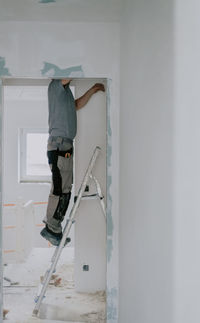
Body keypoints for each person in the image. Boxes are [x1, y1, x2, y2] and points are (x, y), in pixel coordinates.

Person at [40, 79, 105, 246]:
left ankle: (54, 227)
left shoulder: (66, 94)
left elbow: (76, 104)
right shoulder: (56, 86)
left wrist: (92, 90)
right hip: (60, 145)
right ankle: (51, 229)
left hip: (64, 146)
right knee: (61, 190)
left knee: (64, 189)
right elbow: (67, 73)